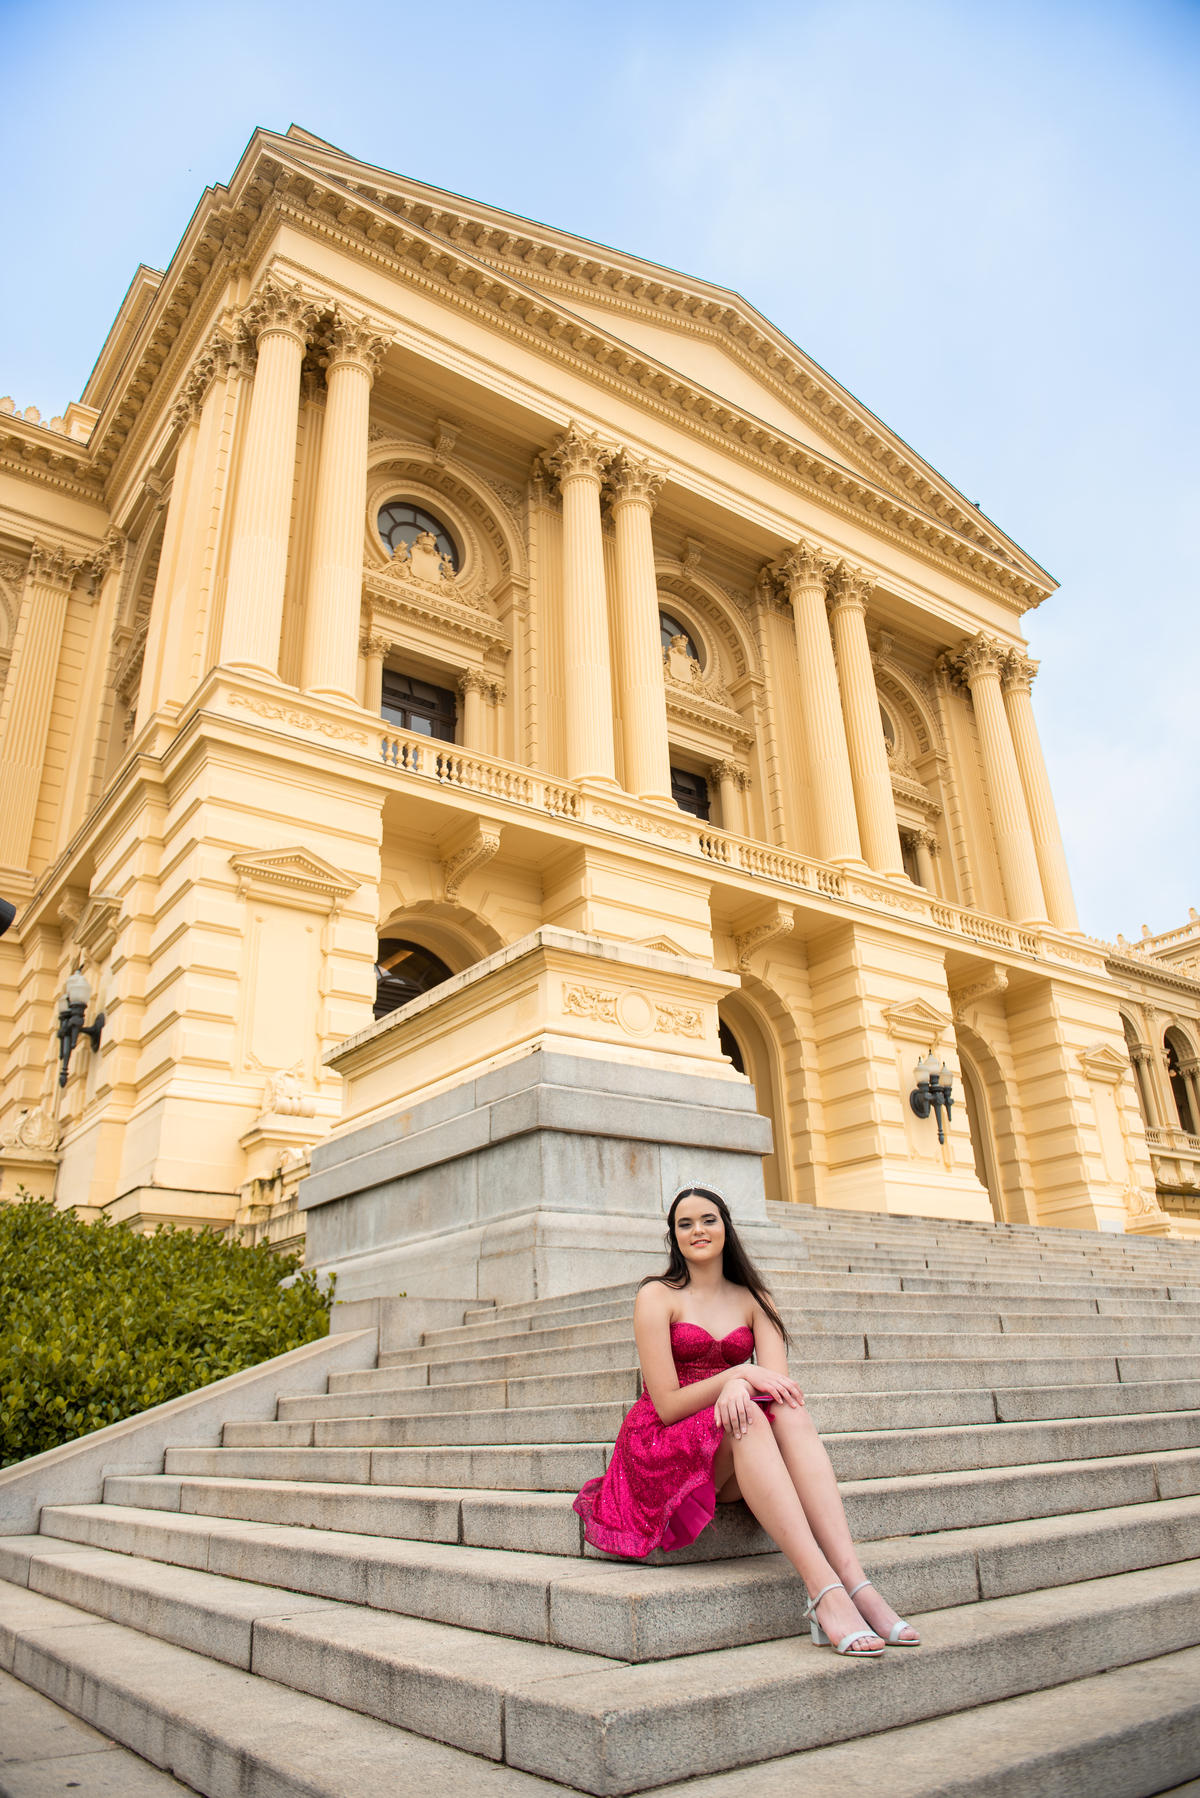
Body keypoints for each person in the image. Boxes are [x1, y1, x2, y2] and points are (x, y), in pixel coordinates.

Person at [574, 1182, 920, 1658]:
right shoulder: (657, 1296)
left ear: (726, 1227)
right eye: (684, 1223)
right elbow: (668, 1403)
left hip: (730, 1433)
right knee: (746, 1419)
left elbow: (777, 1389)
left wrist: (742, 1385)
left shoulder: (755, 1299)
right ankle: (823, 1591)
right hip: (664, 1441)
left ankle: (855, 1582)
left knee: (788, 1413)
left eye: (708, 1219)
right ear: (673, 1236)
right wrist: (735, 1375)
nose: (697, 1230)